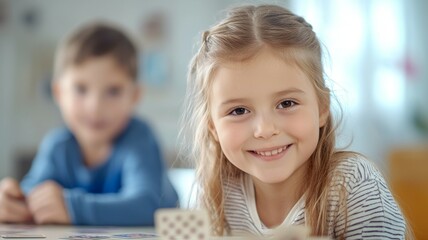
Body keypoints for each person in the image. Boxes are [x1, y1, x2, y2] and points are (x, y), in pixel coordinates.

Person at [179, 4, 411, 239]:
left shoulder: (352, 184)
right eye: (239, 110)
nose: (265, 130)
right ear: (213, 126)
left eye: (286, 104)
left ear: (322, 107)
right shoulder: (220, 191)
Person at [0, 22, 178, 226]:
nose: (95, 107)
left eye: (113, 91)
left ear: (134, 97)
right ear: (58, 93)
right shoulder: (57, 146)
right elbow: (32, 198)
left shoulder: (139, 138)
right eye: (81, 89)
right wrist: (12, 202)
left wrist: (73, 208)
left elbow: (148, 206)